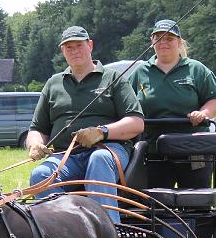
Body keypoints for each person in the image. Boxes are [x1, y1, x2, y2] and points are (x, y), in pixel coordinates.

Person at [27, 26, 144, 223]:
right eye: (69, 47)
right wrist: (35, 144)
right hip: (65, 156)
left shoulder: (113, 78)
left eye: (79, 45)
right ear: (63, 51)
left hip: (108, 150)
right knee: (41, 174)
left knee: (98, 159)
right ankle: (63, 235)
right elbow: (37, 129)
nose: (74, 51)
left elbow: (136, 122)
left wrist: (102, 132)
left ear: (90, 46)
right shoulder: (53, 84)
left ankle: (109, 234)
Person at [128, 20, 216, 188]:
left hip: (193, 150)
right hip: (153, 152)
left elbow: (215, 99)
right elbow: (126, 105)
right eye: (158, 38)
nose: (163, 42)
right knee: (155, 205)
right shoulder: (139, 73)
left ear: (179, 42)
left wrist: (203, 113)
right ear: (152, 42)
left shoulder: (196, 69)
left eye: (169, 38)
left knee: (196, 203)